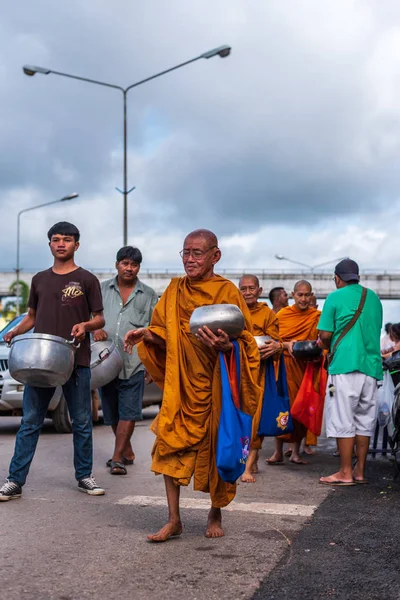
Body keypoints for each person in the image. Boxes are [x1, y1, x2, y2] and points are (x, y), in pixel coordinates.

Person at [124, 229, 261, 541]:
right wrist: (145, 334)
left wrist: (229, 348)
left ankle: (215, 512)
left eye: (197, 253)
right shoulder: (174, 291)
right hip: (182, 387)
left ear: (215, 256)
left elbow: (248, 343)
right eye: (185, 253)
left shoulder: (227, 291)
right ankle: (174, 519)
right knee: (168, 446)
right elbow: (162, 330)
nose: (189, 259)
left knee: (218, 452)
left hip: (217, 387)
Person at [0, 222, 105, 501]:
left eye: (67, 240)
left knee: (81, 421)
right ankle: (14, 481)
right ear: (49, 244)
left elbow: (100, 318)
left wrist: (86, 325)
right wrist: (15, 330)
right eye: (56, 239)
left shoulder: (87, 279)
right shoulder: (39, 280)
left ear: (76, 245)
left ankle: (84, 476)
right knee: (31, 422)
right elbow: (31, 317)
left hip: (75, 360)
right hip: (41, 362)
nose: (61, 244)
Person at [318, 259, 383, 486]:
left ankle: (345, 472)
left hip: (345, 365)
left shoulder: (335, 297)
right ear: (357, 275)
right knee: (364, 420)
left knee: (343, 418)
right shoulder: (374, 298)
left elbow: (325, 335)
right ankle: (360, 471)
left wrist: (321, 342)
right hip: (371, 368)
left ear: (337, 278)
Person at [94, 246, 158, 475]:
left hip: (135, 362)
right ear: (117, 265)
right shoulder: (101, 290)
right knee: (111, 412)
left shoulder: (149, 294)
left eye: (134, 264)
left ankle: (117, 457)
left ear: (139, 267)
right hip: (105, 362)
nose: (129, 268)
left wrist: (152, 365)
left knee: (129, 411)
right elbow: (91, 318)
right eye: (125, 263)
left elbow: (155, 329)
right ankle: (127, 450)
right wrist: (95, 330)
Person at [267, 280, 322, 465]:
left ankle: (296, 452)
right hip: (284, 365)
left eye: (307, 295)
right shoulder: (283, 315)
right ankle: (278, 452)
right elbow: (274, 341)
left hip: (304, 368)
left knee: (300, 408)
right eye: (300, 295)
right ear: (293, 295)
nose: (304, 299)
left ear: (311, 295)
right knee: (281, 408)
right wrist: (285, 346)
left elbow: (321, 342)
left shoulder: (316, 316)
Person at [238, 274, 282, 482]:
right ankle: (248, 460)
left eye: (251, 288)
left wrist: (273, 346)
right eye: (243, 289)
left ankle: (247, 467)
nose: (247, 292)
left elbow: (275, 342)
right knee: (240, 418)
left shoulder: (267, 314)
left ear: (259, 290)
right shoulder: (234, 312)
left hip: (259, 373)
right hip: (237, 371)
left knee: (256, 419)